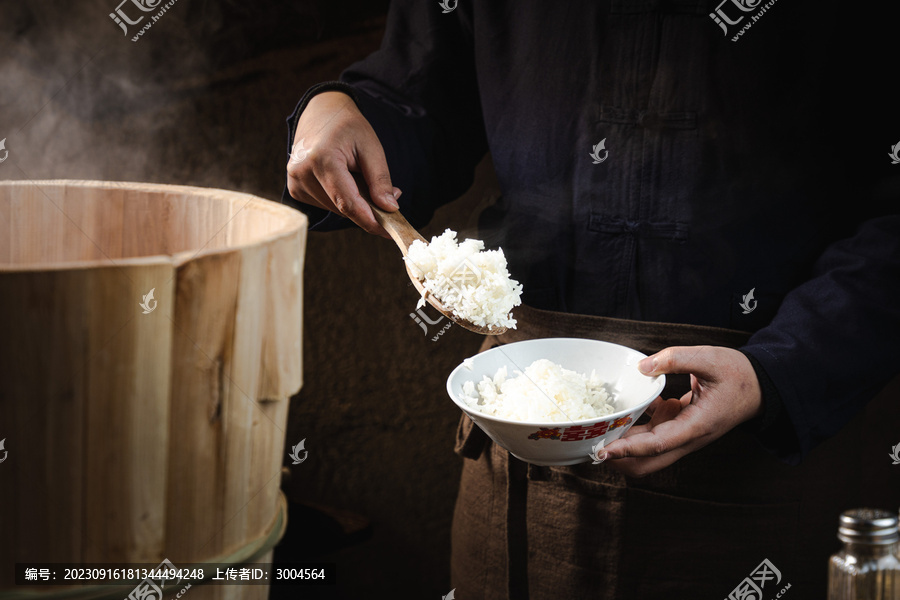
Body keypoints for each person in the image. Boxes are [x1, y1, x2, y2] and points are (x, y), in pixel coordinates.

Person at [283, 2, 900, 598]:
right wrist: (341, 110)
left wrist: (780, 368)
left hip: (760, 445)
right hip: (520, 429)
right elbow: (420, 95)